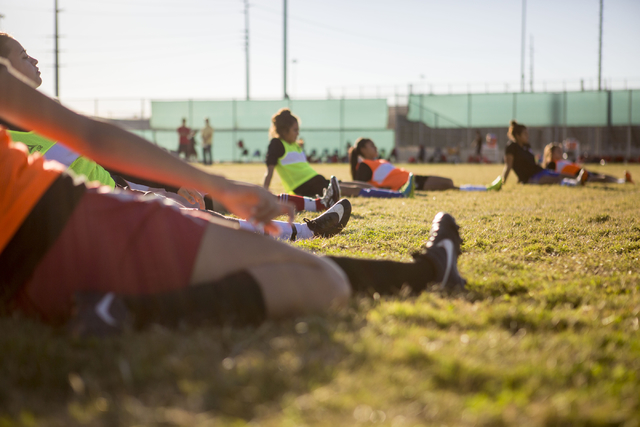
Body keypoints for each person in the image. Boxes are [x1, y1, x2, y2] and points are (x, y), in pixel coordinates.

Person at [0, 54, 467, 336]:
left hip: (22, 271)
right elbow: (95, 140)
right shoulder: (278, 146)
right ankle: (124, 311)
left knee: (249, 246)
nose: (31, 64)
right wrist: (219, 185)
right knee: (317, 279)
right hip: (68, 219)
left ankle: (419, 266)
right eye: (19, 56)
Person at [0, 33, 343, 241]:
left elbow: (103, 154)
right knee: (195, 215)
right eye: (23, 56)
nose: (34, 59)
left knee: (204, 202)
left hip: (120, 193)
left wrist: (163, 183)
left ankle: (314, 211)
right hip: (97, 218)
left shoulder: (48, 120)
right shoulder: (10, 140)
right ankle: (305, 231)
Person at [263, 108, 410, 199]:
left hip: (316, 180)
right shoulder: (277, 144)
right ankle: (399, 195)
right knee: (354, 190)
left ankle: (395, 190)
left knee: (361, 184)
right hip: (304, 187)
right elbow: (269, 171)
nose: (297, 133)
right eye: (295, 130)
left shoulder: (295, 145)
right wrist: (264, 192)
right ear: (284, 131)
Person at [349, 138, 456, 191]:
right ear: (363, 150)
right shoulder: (364, 165)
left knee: (449, 182)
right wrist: (385, 189)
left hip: (413, 177)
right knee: (448, 184)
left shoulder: (377, 161)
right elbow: (361, 186)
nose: (375, 148)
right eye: (372, 146)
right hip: (407, 184)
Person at [501, 120, 586, 186]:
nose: (528, 136)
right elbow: (509, 165)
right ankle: (574, 183)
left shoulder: (526, 146)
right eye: (525, 134)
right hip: (531, 178)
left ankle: (579, 179)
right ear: (517, 135)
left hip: (539, 171)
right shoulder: (511, 147)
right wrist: (502, 182)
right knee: (555, 179)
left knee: (560, 175)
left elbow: (531, 163)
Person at [542, 142, 633, 184]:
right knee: (601, 179)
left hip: (582, 171)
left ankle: (621, 180)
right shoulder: (552, 164)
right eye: (558, 152)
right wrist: (574, 178)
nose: (560, 153)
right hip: (577, 175)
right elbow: (554, 175)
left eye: (561, 151)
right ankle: (621, 182)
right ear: (551, 154)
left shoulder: (563, 160)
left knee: (603, 175)